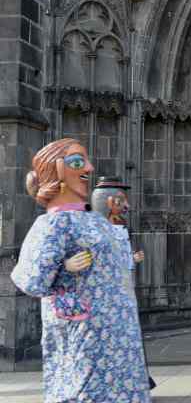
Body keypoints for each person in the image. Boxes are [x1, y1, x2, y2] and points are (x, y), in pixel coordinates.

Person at [11, 139, 150, 402]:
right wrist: (63, 266)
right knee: (85, 391)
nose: (89, 167)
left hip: (117, 333)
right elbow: (29, 279)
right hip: (85, 333)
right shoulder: (52, 223)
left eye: (86, 160)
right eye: (78, 162)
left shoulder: (94, 219)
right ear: (58, 169)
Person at [91, 175, 156, 390]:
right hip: (110, 295)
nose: (126, 205)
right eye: (120, 200)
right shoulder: (98, 231)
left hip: (125, 289)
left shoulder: (121, 227)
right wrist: (131, 259)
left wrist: (131, 259)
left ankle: (134, 379)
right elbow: (106, 262)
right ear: (107, 202)